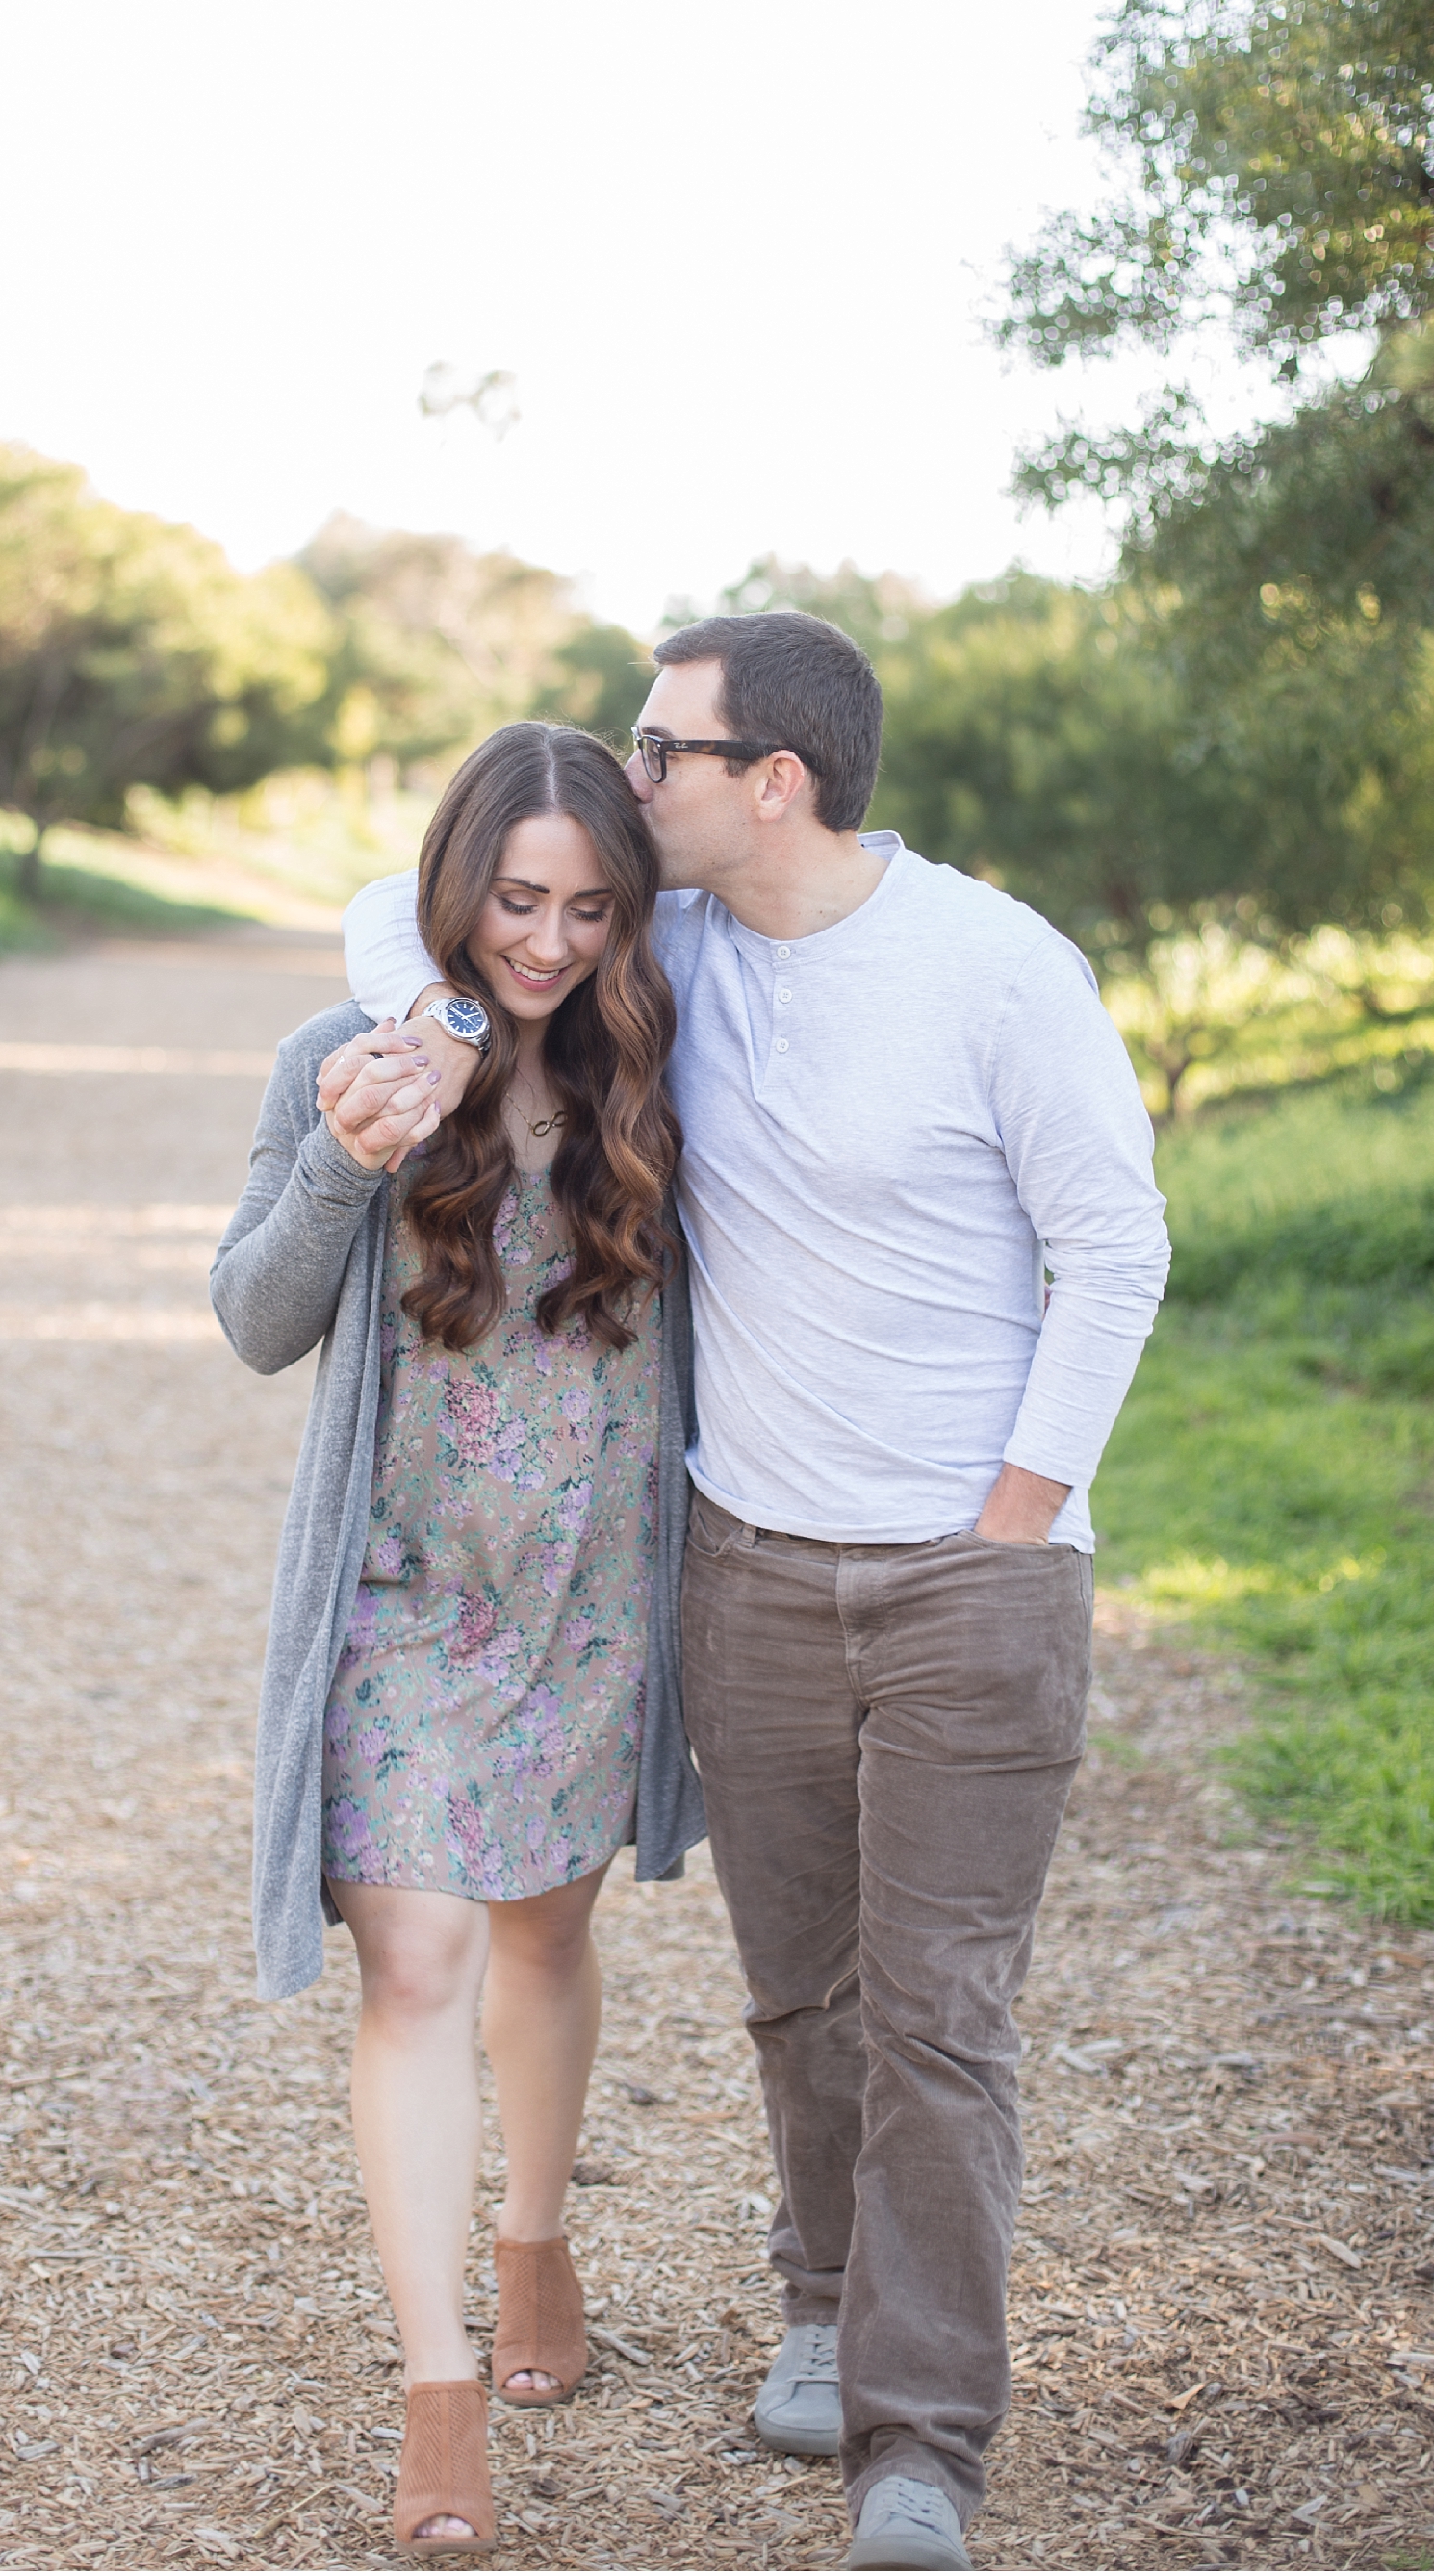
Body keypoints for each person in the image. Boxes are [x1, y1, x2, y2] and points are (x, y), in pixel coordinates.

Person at [331, 611, 1171, 2572]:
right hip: (749, 1570)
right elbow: (406, 898)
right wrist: (443, 1026)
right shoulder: (679, 950)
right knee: (804, 2000)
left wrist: (1016, 1508)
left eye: (658, 746)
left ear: (766, 779)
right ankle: (820, 2301)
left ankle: (919, 2434)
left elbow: (1112, 1250)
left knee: (942, 2018)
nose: (628, 774)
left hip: (977, 1574)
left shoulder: (992, 966)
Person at [210, 719, 704, 2556]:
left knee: (543, 1929)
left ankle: (536, 2233)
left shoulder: (663, 1062)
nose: (550, 940)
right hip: (407, 1597)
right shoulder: (341, 1058)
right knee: (411, 1966)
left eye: (588, 907)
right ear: (452, 882)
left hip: (593, 1594)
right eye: (517, 898)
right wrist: (342, 1159)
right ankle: (438, 2392)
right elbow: (255, 1322)